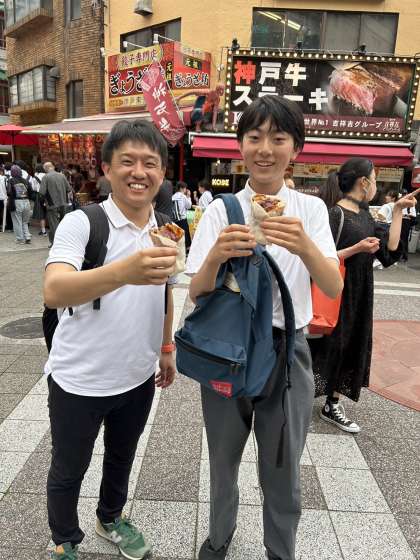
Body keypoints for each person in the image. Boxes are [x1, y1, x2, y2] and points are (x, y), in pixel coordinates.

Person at [186, 96, 343, 560]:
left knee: (282, 462)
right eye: (254, 137)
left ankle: (280, 549)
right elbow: (197, 291)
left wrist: (304, 245)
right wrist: (216, 256)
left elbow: (332, 285)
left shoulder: (310, 210)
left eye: (278, 138)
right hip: (228, 348)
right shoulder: (222, 210)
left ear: (296, 147)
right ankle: (219, 537)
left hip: (287, 350)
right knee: (222, 457)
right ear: (240, 145)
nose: (265, 149)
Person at [43, 119, 178, 560]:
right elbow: (54, 290)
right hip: (78, 379)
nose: (139, 172)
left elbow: (166, 291)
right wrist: (123, 272)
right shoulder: (83, 223)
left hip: (137, 377)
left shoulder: (167, 228)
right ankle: (65, 539)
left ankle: (110, 517)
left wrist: (166, 348)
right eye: (127, 161)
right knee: (69, 468)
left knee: (122, 457)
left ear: (162, 172)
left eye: (150, 163)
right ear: (106, 168)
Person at [311, 158, 418, 433]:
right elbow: (317, 258)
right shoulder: (335, 214)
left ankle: (332, 402)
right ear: (363, 182)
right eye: (374, 179)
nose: (375, 185)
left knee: (350, 344)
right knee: (326, 344)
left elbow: (390, 251)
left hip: (360, 291)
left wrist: (397, 210)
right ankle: (298, 391)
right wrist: (356, 249)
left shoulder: (365, 214)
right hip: (335, 289)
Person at [40, 162, 72, 247]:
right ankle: (65, 241)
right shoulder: (62, 176)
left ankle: (56, 243)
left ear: (45, 169)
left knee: (53, 224)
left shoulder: (45, 177)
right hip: (63, 202)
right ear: (53, 167)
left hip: (52, 204)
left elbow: (42, 192)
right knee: (63, 223)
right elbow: (69, 189)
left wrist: (43, 202)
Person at [7, 164, 32, 244]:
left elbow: (9, 192)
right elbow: (31, 191)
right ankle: (27, 237)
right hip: (27, 201)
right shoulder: (25, 180)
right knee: (25, 221)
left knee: (17, 221)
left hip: (16, 202)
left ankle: (20, 239)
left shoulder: (11, 180)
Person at [172, 180, 192, 250]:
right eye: (185, 188)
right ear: (181, 188)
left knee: (178, 238)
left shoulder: (173, 196)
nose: (186, 190)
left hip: (174, 221)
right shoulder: (182, 196)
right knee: (186, 238)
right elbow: (189, 206)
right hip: (183, 220)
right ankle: (186, 250)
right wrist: (188, 196)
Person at [30, 163, 48, 236]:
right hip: (48, 195)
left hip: (39, 195)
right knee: (50, 212)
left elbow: (33, 188)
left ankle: (43, 231)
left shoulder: (35, 177)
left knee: (41, 214)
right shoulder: (47, 175)